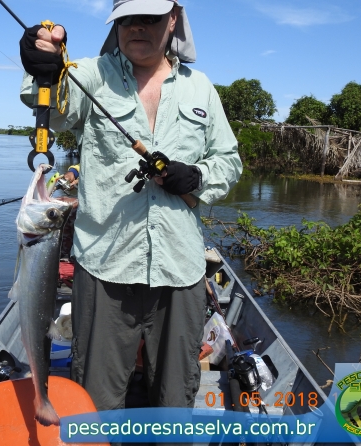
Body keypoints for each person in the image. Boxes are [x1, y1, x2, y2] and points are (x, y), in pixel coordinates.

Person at [20, 0, 242, 415]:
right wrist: (42, 65)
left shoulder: (201, 88)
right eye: (127, 19)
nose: (137, 26)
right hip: (104, 269)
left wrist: (196, 178)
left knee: (175, 400)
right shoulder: (92, 74)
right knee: (96, 402)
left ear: (173, 19)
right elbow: (52, 106)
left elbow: (229, 162)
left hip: (180, 270)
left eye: (149, 18)